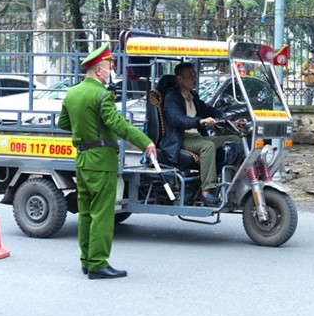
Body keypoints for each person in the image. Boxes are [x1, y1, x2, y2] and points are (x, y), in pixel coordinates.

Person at [58, 42, 157, 280]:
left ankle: (86, 260)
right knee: (102, 214)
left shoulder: (72, 94)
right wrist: (146, 142)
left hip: (82, 159)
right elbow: (118, 125)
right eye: (109, 67)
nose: (111, 71)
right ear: (99, 70)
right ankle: (98, 263)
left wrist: (86, 129)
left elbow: (63, 124)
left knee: (85, 213)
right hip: (102, 162)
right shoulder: (103, 95)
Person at [161, 62, 239, 206]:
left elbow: (208, 110)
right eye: (190, 76)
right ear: (179, 79)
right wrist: (200, 121)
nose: (194, 79)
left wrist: (229, 116)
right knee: (207, 146)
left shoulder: (193, 96)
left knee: (235, 140)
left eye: (195, 75)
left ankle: (234, 181)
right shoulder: (171, 97)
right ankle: (206, 191)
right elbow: (178, 119)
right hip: (180, 138)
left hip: (197, 137)